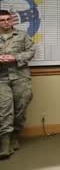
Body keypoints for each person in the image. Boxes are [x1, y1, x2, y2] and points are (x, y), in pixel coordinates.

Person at [0, 10, 35, 159]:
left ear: (12, 21)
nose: (6, 22)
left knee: (20, 108)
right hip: (1, 79)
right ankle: (5, 145)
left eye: (8, 19)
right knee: (5, 110)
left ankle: (15, 135)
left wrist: (15, 58)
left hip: (20, 77)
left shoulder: (22, 35)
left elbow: (31, 51)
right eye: (2, 20)